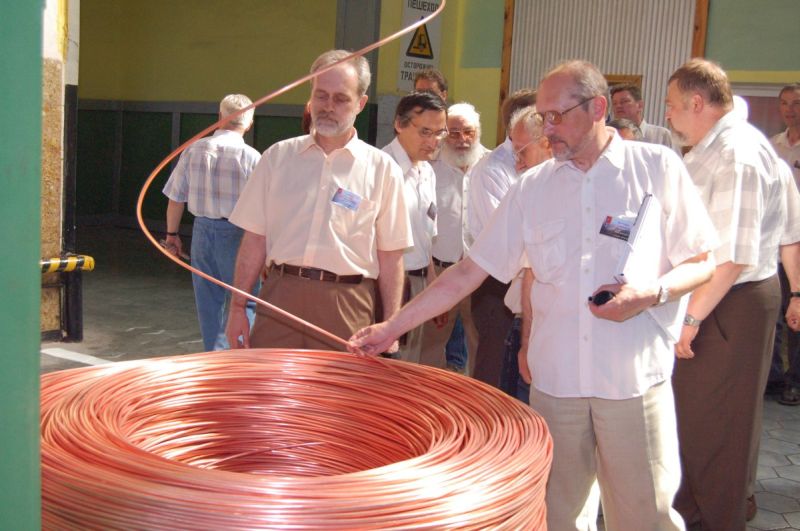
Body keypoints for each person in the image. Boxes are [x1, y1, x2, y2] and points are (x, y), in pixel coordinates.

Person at [352, 60, 718, 530]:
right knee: (557, 516)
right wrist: (392, 327)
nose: (548, 129)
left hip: (632, 382)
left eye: (557, 116)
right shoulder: (532, 188)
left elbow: (703, 261)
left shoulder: (656, 168)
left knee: (645, 516)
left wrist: (652, 292)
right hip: (556, 386)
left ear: (598, 108)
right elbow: (469, 272)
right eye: (543, 117)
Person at [665, 58, 800, 529]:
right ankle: (693, 513)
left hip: (728, 300)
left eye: (671, 105)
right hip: (717, 297)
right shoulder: (714, 148)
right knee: (697, 420)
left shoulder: (737, 154)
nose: (668, 115)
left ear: (696, 102)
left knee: (718, 428)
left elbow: (733, 255)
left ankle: (718, 519)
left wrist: (691, 318)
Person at [224, 50, 412, 351]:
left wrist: (392, 325)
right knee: (271, 380)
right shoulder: (277, 158)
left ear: (361, 103)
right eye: (321, 95)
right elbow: (255, 240)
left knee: (341, 383)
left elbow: (391, 256)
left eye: (341, 99)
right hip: (278, 300)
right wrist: (237, 309)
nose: (328, 107)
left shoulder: (382, 170)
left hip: (347, 306)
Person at [162, 94, 261, 352]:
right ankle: (238, 358)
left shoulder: (193, 150)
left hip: (202, 232)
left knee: (208, 302)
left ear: (219, 117)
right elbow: (264, 210)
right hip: (238, 234)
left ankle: (213, 358)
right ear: (249, 124)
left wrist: (172, 234)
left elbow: (175, 198)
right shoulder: (252, 157)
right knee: (246, 300)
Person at [466, 88, 537, 390]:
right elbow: (509, 246)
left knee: (522, 378)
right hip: (498, 286)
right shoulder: (492, 170)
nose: (519, 163)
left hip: (529, 292)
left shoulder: (554, 174)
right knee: (494, 378)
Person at [420, 102, 487, 372]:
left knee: (481, 347)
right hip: (440, 273)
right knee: (429, 347)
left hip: (480, 275)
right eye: (454, 133)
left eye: (468, 132)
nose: (462, 140)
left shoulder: (491, 164)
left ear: (478, 132)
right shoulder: (429, 167)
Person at [382, 92, 447, 363]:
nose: (433, 142)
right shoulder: (380, 168)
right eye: (425, 132)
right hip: (389, 285)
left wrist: (432, 287)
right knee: (388, 367)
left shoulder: (427, 172)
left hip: (419, 285)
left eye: (439, 133)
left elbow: (425, 237)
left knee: (411, 365)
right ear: (399, 124)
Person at [500, 105, 552, 403]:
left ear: (546, 144)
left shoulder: (542, 192)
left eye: (522, 152)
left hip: (542, 332)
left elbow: (532, 275)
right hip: (525, 325)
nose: (518, 164)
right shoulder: (529, 190)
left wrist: (528, 342)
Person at [768, 83, 800, 406]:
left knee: (797, 315)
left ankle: (795, 382)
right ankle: (774, 377)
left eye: (797, 103)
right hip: (776, 243)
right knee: (775, 314)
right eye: (785, 103)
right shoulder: (772, 146)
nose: (791, 109)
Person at [610, 83, 675, 149]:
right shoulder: (609, 135)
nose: (618, 106)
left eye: (624, 101)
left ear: (640, 105)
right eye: (614, 103)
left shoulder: (661, 136)